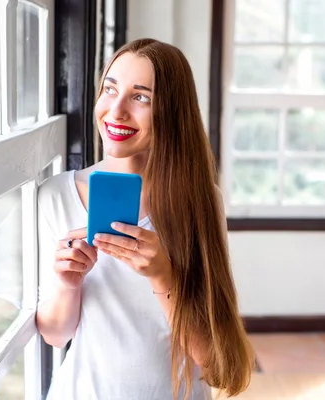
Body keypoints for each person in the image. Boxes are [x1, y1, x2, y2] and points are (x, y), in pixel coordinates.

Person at [36, 38, 254, 400]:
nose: (116, 111)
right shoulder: (56, 196)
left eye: (141, 97)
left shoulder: (200, 202)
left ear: (171, 112)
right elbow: (56, 335)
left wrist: (162, 276)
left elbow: (215, 364)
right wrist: (67, 282)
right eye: (110, 89)